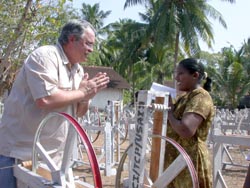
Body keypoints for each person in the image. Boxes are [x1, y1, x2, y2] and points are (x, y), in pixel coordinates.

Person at [0, 19, 110, 188]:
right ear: (72, 39)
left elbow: (78, 112)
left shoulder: (78, 70)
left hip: (51, 160)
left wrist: (87, 97)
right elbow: (46, 99)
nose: (91, 50)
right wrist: (82, 92)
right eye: (88, 44)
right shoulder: (45, 57)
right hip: (19, 154)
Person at [164, 58, 214, 188]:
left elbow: (186, 130)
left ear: (195, 75)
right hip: (175, 160)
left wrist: (169, 111)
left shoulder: (201, 96)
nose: (176, 78)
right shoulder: (184, 97)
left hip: (190, 160)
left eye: (180, 73)